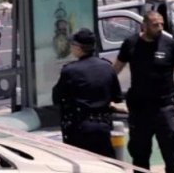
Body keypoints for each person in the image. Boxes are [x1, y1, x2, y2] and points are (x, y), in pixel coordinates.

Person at [114, 11, 174, 173]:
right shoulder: (131, 44)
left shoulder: (170, 44)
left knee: (173, 155)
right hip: (139, 110)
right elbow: (114, 71)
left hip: (164, 108)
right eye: (155, 25)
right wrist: (109, 96)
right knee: (140, 158)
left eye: (161, 24)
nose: (159, 28)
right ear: (144, 26)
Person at [52, 28, 123, 157]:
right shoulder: (107, 67)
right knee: (107, 165)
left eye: (73, 45)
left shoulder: (70, 71)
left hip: (80, 128)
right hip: (103, 126)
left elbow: (57, 97)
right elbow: (117, 97)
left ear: (79, 48)